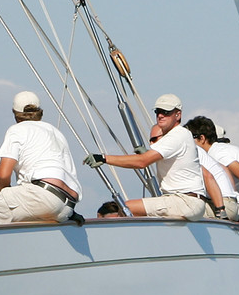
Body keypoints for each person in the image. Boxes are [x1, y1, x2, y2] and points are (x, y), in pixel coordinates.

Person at [83, 94, 221, 220]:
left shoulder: (178, 135)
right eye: (158, 112)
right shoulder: (179, 136)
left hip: (184, 202)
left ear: (178, 115)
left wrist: (103, 158)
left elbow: (142, 162)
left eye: (166, 112)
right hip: (187, 202)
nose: (161, 115)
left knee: (127, 208)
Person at [0, 91, 82, 225]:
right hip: (68, 205)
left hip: (42, 196)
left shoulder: (17, 130)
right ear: (40, 112)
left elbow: (3, 175)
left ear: (15, 114)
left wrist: (3, 190)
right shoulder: (56, 132)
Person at [186, 117, 239, 225]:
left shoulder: (214, 152)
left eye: (189, 138)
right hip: (233, 204)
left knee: (183, 207)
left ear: (202, 138)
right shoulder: (213, 155)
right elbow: (226, 174)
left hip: (228, 206)